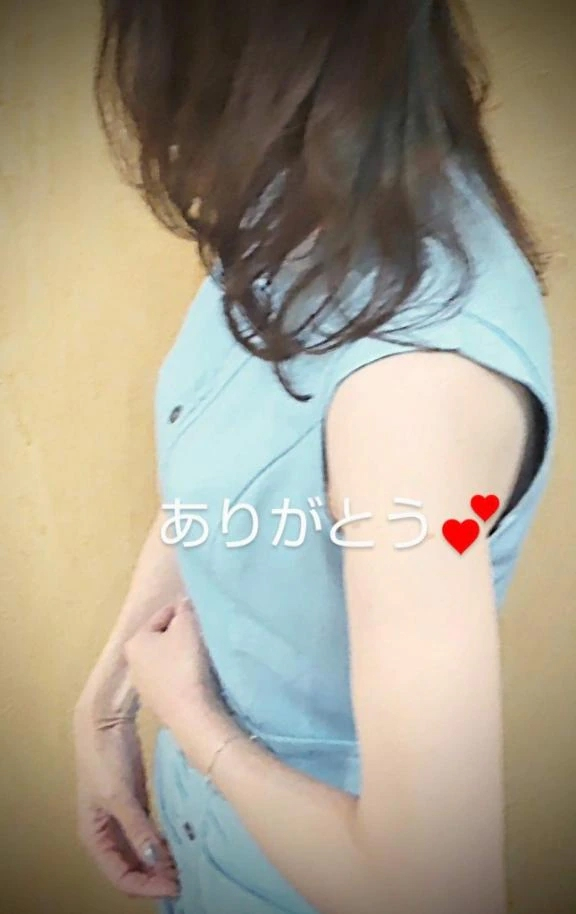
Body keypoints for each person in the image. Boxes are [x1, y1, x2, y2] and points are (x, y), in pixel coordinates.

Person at [73, 2, 557, 913]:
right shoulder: (297, 206)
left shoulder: (411, 384)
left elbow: (435, 890)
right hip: (207, 844)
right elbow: (228, 470)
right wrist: (107, 701)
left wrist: (192, 721)